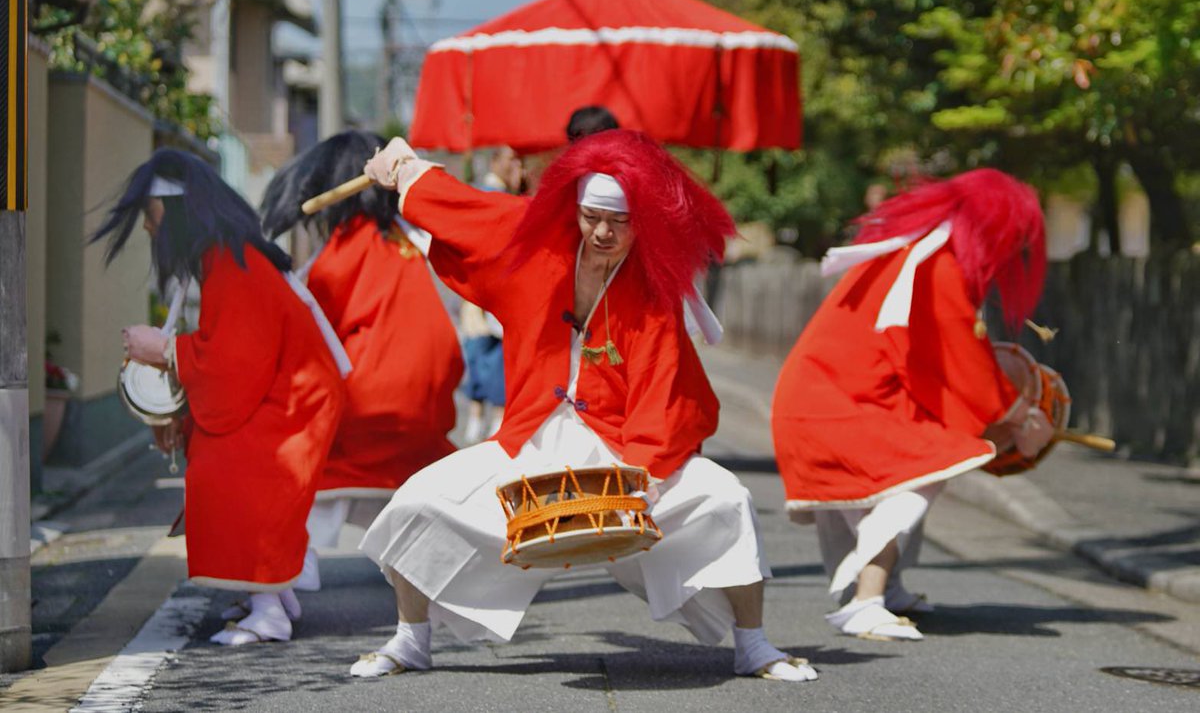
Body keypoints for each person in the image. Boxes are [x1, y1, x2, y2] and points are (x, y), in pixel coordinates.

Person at [348, 129, 819, 683]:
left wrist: (640, 482)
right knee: (419, 501)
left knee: (726, 499)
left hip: (622, 445)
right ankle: (411, 639)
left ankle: (754, 645)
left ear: (642, 221)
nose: (601, 232)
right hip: (533, 438)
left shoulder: (652, 289)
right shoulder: (535, 249)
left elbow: (661, 386)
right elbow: (471, 213)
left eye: (618, 222)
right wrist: (405, 168)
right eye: (591, 216)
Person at [771, 169, 1053, 641]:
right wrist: (1011, 413)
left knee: (879, 492)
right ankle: (866, 600)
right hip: (841, 404)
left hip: (830, 398)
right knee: (911, 484)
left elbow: (927, 354)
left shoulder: (919, 254)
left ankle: (883, 588)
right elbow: (958, 354)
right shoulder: (937, 263)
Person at [93, 148, 346, 645]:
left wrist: (162, 348)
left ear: (176, 213)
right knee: (217, 456)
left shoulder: (231, 263)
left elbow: (230, 364)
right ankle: (271, 590)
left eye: (150, 215)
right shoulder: (226, 257)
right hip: (292, 395)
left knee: (225, 468)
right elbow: (229, 363)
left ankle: (269, 605)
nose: (147, 228)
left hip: (294, 403)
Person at [259, 131, 464, 592]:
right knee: (397, 484)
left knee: (300, 461)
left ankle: (288, 569)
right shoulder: (410, 240)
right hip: (429, 403)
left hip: (368, 405)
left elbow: (309, 325)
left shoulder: (346, 247)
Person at [459, 146, 522, 442]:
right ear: (496, 161)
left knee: (486, 360)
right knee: (487, 359)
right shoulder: (495, 197)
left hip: (486, 293)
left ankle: (483, 419)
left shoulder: (498, 195)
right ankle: (481, 419)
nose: (516, 166)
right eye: (511, 160)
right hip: (487, 292)